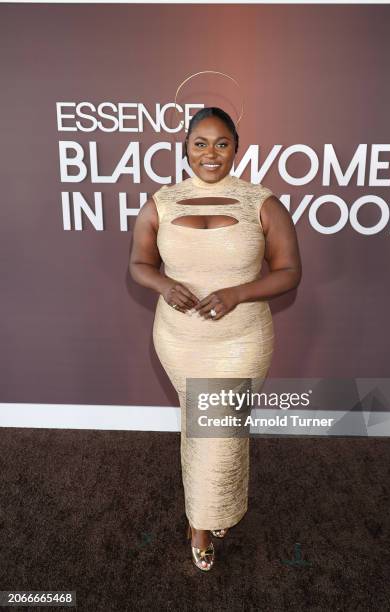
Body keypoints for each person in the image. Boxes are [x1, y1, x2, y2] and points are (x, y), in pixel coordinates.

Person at [129, 107, 302, 571]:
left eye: (221, 143)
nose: (211, 153)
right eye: (200, 143)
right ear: (185, 148)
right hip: (178, 338)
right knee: (202, 425)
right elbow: (139, 266)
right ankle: (211, 511)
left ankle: (201, 522)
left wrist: (238, 293)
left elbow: (289, 272)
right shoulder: (161, 202)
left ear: (236, 149)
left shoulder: (260, 202)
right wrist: (165, 285)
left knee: (218, 432)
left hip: (241, 338)